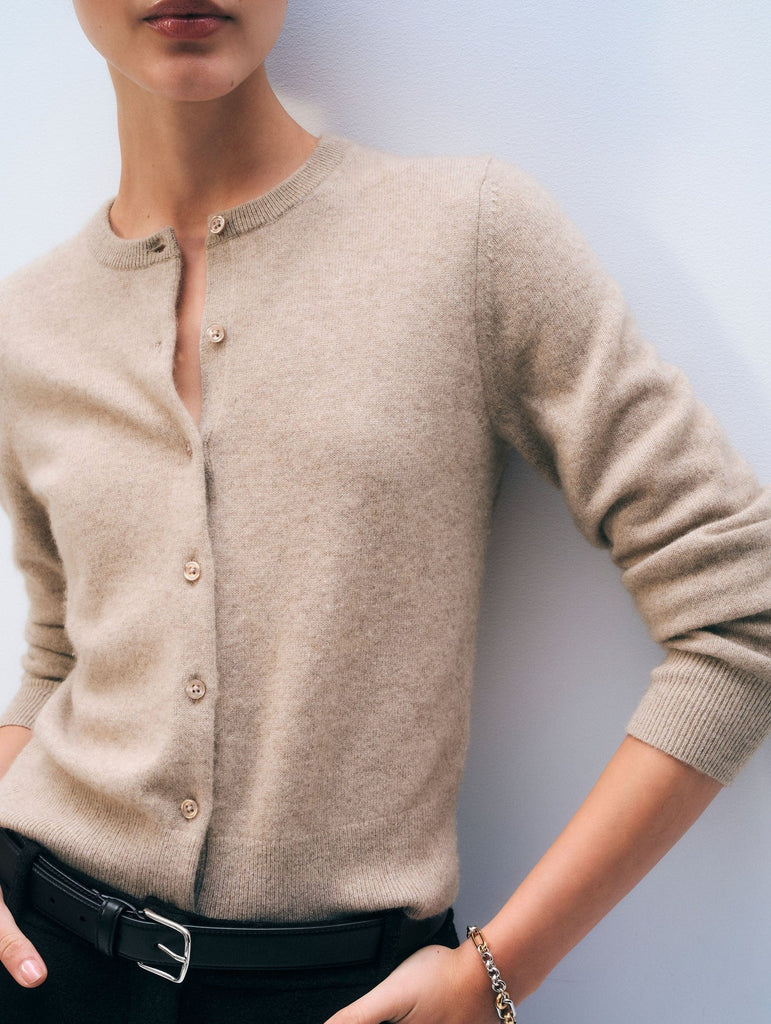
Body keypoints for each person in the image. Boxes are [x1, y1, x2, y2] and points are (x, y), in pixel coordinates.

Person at [0, 2, 768, 1022]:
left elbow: (741, 610)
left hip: (353, 995)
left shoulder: (465, 237)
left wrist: (498, 972)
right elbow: (59, 653)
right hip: (39, 962)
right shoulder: (27, 324)